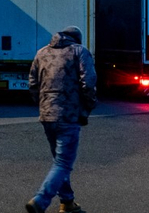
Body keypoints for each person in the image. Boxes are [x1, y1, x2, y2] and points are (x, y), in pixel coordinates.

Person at [25, 26, 97, 213]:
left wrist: (43, 103)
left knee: (59, 161)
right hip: (68, 114)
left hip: (46, 114)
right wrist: (87, 107)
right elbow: (88, 82)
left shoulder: (42, 52)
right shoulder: (79, 51)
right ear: (76, 39)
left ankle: (67, 202)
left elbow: (32, 83)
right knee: (63, 163)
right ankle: (41, 200)